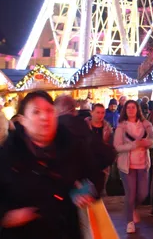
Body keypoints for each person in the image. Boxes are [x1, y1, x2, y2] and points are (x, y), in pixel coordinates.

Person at [0, 91, 98, 238]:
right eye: (36, 112)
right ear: (22, 120)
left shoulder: (73, 145)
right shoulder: (8, 153)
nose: (45, 117)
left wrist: (87, 191)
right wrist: (6, 217)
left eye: (49, 111)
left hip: (65, 231)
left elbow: (93, 176)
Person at [55, 95, 116, 197]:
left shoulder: (54, 128)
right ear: (73, 109)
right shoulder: (82, 127)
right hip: (84, 185)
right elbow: (108, 155)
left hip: (61, 189)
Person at [115, 100, 153, 234]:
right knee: (131, 193)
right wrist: (134, 145)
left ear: (137, 109)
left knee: (143, 193)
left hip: (143, 164)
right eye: (128, 107)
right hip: (127, 165)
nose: (130, 110)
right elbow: (117, 146)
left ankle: (132, 208)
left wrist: (148, 143)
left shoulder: (146, 125)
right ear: (125, 110)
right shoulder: (121, 127)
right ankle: (129, 221)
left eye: (133, 107)